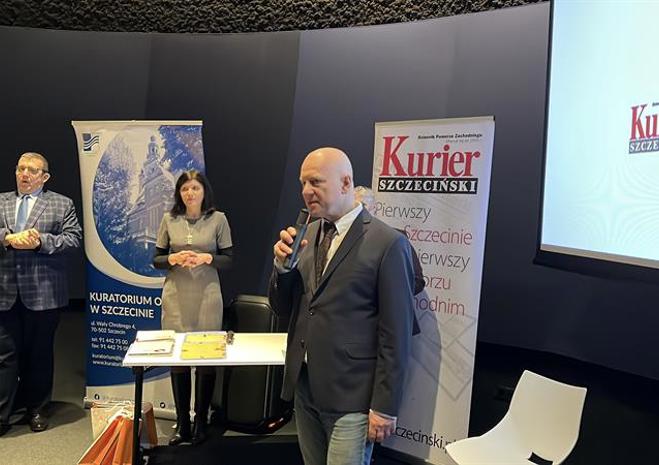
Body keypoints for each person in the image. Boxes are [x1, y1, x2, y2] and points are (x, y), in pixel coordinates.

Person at [269, 147, 415, 465]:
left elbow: (397, 334)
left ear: (346, 183)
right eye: (303, 183)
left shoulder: (388, 243)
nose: (306, 191)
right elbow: (281, 307)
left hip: (353, 396)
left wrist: (385, 406)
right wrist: (281, 269)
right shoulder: (306, 234)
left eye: (316, 182)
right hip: (306, 387)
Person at [0, 152, 82, 435]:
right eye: (20, 168)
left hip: (44, 293)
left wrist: (39, 242)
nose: (24, 174)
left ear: (44, 177)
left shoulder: (61, 203)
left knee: (39, 354)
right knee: (5, 356)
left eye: (32, 170)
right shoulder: (1, 201)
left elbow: (73, 239)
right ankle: (2, 414)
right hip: (5, 292)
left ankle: (37, 409)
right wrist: (6, 238)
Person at [153, 170, 233, 446]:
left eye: (195, 188)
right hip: (176, 296)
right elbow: (156, 259)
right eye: (185, 189)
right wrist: (172, 258)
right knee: (178, 359)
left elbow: (228, 259)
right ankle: (183, 424)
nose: (190, 193)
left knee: (205, 358)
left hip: (207, 295)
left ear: (204, 191)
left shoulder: (218, 219)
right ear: (179, 193)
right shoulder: (169, 219)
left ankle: (201, 421)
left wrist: (207, 258)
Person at [354, 185, 425, 297]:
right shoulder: (344, 238)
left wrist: (384, 294)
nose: (358, 211)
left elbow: (417, 281)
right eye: (354, 207)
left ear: (375, 208)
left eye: (363, 205)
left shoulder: (395, 238)